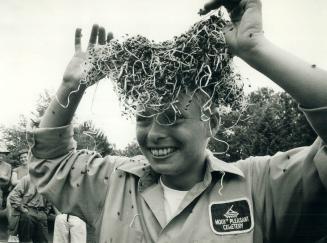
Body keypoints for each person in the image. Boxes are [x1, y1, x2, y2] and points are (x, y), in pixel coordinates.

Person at [28, 0, 327, 242]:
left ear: (213, 122)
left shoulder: (261, 186)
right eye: (144, 117)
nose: (154, 133)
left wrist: (255, 47)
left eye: (172, 118)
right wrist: (71, 87)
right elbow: (50, 163)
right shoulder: (114, 181)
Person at [8, 175, 50, 243]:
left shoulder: (48, 180)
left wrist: (45, 213)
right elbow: (13, 196)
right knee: (25, 240)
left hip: (41, 214)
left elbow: (50, 198)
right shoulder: (27, 179)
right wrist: (23, 210)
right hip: (28, 212)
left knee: (43, 241)